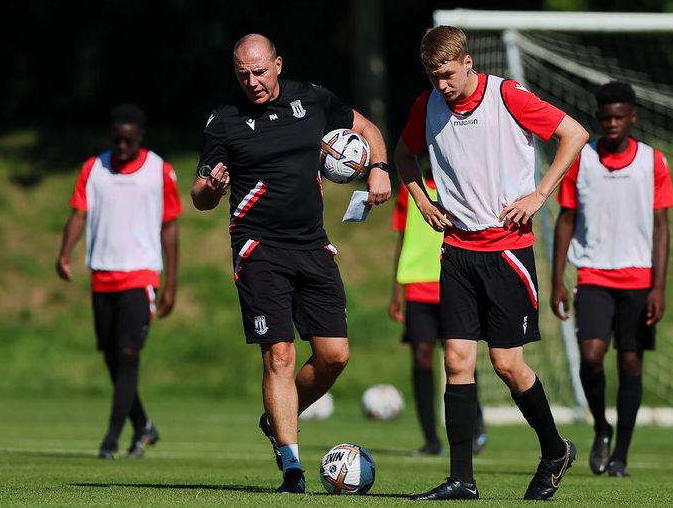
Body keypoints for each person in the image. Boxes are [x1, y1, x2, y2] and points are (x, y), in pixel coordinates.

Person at [393, 25, 589, 501]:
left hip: (507, 251)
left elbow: (574, 133)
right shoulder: (428, 105)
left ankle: (554, 450)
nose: (441, 84)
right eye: (432, 76)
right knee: (457, 361)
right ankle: (462, 478)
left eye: (446, 74)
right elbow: (404, 154)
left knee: (506, 364)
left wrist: (540, 194)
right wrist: (421, 200)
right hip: (458, 250)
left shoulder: (507, 95)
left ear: (466, 62)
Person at [191, 33, 392, 493]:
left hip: (313, 246)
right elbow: (200, 196)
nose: (253, 82)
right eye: (243, 74)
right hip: (258, 248)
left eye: (260, 72)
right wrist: (213, 188)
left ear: (278, 64)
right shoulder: (223, 120)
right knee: (278, 356)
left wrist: (378, 167)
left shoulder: (314, 99)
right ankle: (292, 467)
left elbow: (367, 129)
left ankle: (277, 418)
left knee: (334, 356)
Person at [551, 82, 673, 478]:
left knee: (631, 364)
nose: (613, 123)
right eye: (606, 118)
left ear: (633, 117)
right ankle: (601, 427)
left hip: (639, 280)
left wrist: (658, 286)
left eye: (620, 116)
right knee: (591, 358)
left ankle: (621, 452)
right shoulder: (581, 159)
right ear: (599, 119)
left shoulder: (653, 161)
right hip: (593, 276)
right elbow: (566, 219)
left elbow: (661, 226)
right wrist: (556, 280)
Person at [56, 103, 180, 459]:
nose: (122, 147)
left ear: (140, 136)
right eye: (117, 140)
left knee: (128, 355)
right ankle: (144, 426)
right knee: (112, 358)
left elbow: (170, 228)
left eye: (128, 140)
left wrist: (170, 283)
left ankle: (111, 439)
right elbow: (78, 214)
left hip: (140, 277)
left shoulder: (160, 171)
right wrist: (64, 252)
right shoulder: (94, 168)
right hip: (102, 276)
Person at [388, 167, 488, 457]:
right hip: (418, 285)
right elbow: (402, 237)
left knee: (461, 357)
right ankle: (431, 439)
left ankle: (474, 426)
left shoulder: (462, 185)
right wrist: (396, 290)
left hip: (455, 282)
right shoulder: (412, 190)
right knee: (422, 356)